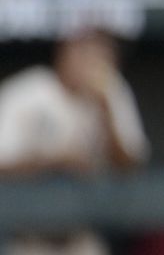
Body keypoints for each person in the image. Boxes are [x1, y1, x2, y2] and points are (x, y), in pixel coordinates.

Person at [0, 26, 149, 255]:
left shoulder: (111, 92)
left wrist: (106, 111)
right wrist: (55, 161)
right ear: (64, 53)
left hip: (82, 236)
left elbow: (131, 165)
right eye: (84, 53)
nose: (92, 63)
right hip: (28, 237)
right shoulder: (29, 92)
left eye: (101, 56)